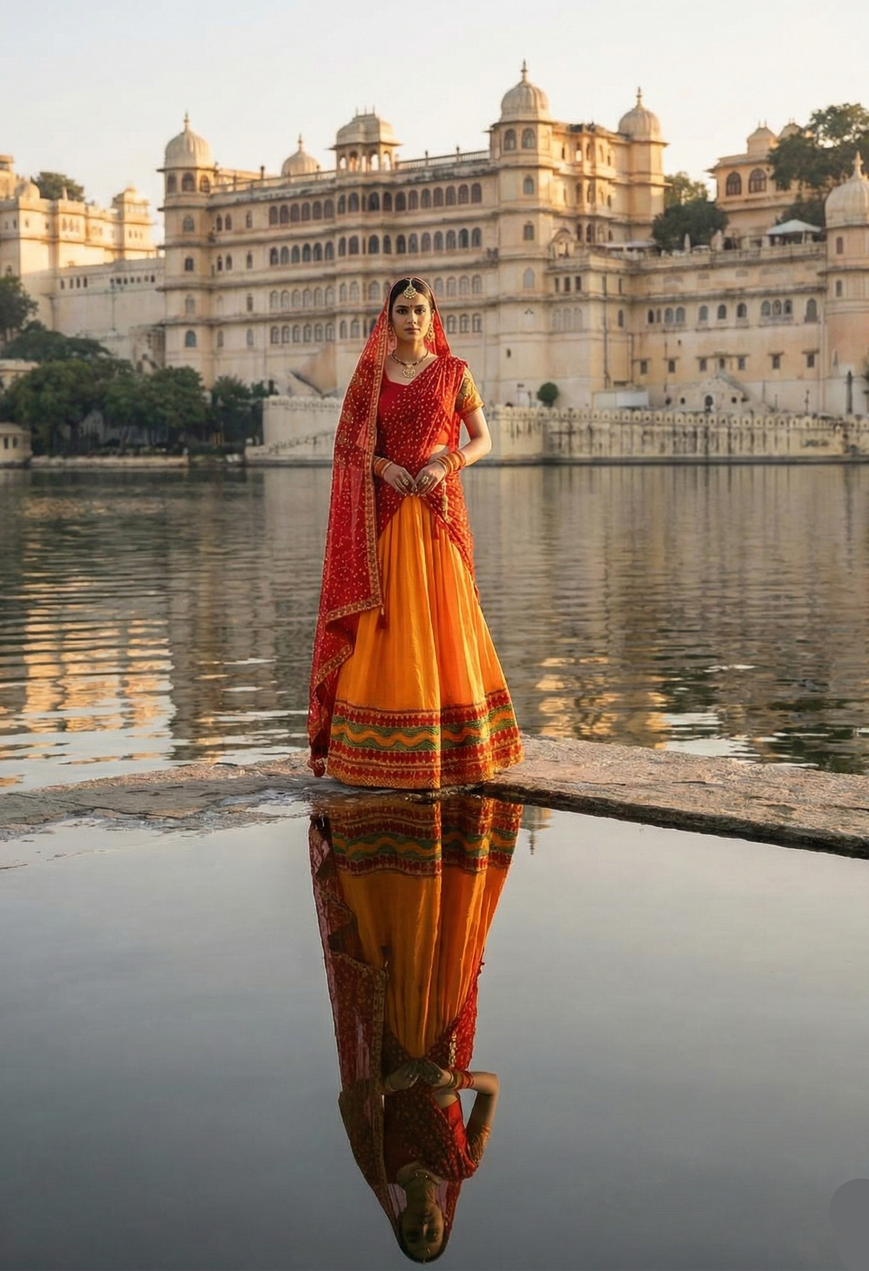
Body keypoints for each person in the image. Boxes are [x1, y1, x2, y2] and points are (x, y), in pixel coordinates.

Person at [308, 277, 523, 788]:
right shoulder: (370, 377)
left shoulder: (454, 372)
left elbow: (483, 440)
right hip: (385, 515)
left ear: (433, 315)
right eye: (402, 310)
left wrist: (448, 462)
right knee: (388, 622)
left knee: (445, 618)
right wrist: (382, 468)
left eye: (420, 310)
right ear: (389, 316)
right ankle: (375, 751)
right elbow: (348, 449)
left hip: (436, 514)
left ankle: (457, 748)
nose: (412, 319)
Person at [309, 796, 521, 1261]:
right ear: (445, 1222)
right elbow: (492, 1089)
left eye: (412, 1234)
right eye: (432, 1234)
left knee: (398, 930)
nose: (423, 1227)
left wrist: (386, 1083)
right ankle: (463, 815)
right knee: (452, 925)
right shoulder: (462, 1164)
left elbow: (349, 1102)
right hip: (448, 1024)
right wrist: (454, 1081)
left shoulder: (377, 1163)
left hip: (395, 1033)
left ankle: (378, 819)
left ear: (400, 1222)